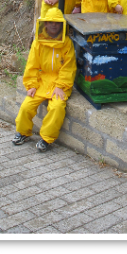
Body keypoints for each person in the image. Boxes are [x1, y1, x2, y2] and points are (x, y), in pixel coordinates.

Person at [12, 8, 77, 151]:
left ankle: (47, 139)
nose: (54, 25)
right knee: (26, 106)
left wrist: (61, 86)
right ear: (45, 24)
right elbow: (32, 65)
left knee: (57, 108)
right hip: (41, 82)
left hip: (59, 85)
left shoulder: (67, 43)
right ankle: (23, 132)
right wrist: (31, 85)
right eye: (50, 22)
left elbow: (68, 68)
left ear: (62, 25)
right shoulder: (38, 42)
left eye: (57, 23)